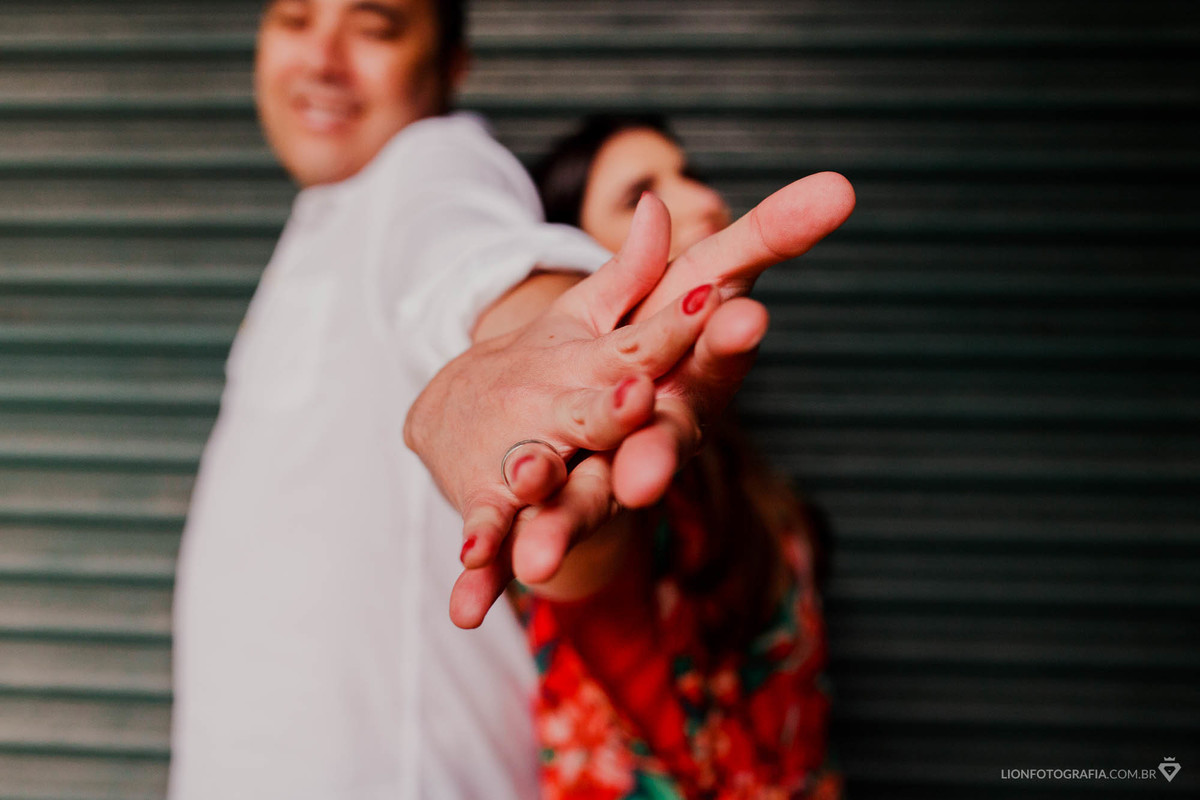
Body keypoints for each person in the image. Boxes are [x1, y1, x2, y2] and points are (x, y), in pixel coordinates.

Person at [168, 1, 855, 798]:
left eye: (376, 26)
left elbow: (475, 257)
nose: (322, 57)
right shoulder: (326, 221)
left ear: (453, 62)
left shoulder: (431, 166)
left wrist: (537, 358)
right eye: (292, 18)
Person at [477, 114, 841, 799]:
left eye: (692, 175)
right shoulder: (599, 470)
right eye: (637, 197)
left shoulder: (735, 460)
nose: (704, 201)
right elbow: (578, 550)